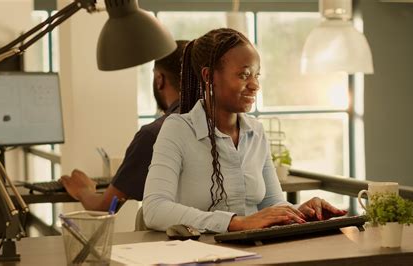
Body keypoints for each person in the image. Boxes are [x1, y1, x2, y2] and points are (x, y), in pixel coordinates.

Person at [142, 29, 346, 233]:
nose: (255, 85)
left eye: (256, 75)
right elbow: (154, 210)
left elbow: (272, 203)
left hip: (255, 252)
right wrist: (235, 223)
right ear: (208, 76)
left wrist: (300, 213)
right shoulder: (178, 129)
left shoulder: (255, 131)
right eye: (244, 75)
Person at [59, 40, 189, 211]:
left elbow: (105, 208)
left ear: (160, 80)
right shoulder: (221, 124)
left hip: (172, 234)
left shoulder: (155, 134)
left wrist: (84, 190)